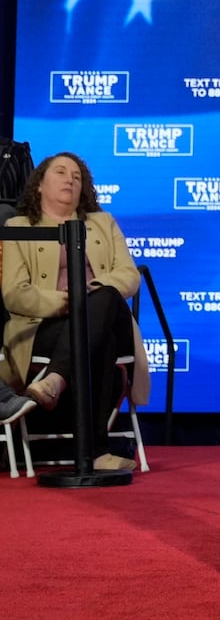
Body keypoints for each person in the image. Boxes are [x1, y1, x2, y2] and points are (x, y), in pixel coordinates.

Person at [0, 152, 143, 471]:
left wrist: (86, 296)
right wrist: (64, 302)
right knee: (96, 336)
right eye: (61, 172)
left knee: (104, 298)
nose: (70, 179)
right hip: (46, 326)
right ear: (38, 185)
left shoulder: (102, 223)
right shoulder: (19, 227)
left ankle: (55, 378)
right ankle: (98, 452)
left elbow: (129, 275)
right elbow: (13, 293)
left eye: (77, 176)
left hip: (107, 313)